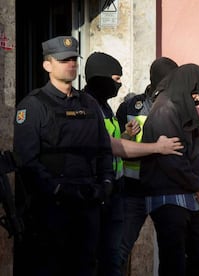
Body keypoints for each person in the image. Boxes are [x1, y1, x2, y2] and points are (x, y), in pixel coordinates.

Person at [13, 36, 114, 276]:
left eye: (73, 59)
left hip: (88, 204)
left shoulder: (89, 103)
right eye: (63, 60)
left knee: (86, 267)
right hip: (52, 209)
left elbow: (103, 149)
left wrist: (107, 182)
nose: (70, 64)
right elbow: (26, 160)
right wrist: (57, 190)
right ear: (47, 65)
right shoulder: (34, 106)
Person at [83, 52, 183, 276]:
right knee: (112, 254)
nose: (119, 84)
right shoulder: (106, 107)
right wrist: (157, 147)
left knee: (169, 252)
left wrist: (127, 136)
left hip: (149, 189)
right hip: (117, 192)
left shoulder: (105, 106)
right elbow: (113, 147)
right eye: (116, 79)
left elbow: (116, 143)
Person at [140, 63, 199, 276]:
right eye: (195, 92)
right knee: (173, 263)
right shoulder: (165, 109)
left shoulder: (179, 108)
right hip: (168, 198)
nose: (198, 99)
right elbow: (172, 160)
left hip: (187, 196)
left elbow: (189, 151)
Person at [115, 56, 179, 274]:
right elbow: (117, 143)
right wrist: (127, 135)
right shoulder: (131, 106)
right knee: (120, 250)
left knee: (171, 253)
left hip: (165, 191)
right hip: (134, 191)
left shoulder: (178, 106)